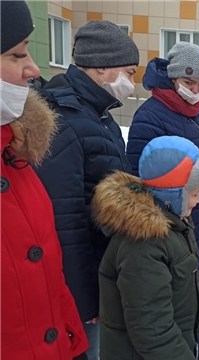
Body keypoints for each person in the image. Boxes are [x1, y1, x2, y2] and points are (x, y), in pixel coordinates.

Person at [127, 42, 199, 350]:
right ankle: (195, 341)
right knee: (187, 293)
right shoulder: (150, 116)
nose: (195, 90)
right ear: (172, 78)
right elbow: (141, 180)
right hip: (178, 225)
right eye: (188, 82)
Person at [34, 20, 139, 360]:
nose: (132, 82)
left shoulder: (97, 113)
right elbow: (66, 220)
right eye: (129, 72)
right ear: (102, 67)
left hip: (102, 268)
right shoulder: (65, 118)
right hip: (81, 284)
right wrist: (83, 297)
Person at [0, 1, 88, 359]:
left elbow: (48, 272)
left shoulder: (18, 155)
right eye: (17, 55)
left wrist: (73, 342)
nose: (33, 69)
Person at [95, 136, 199, 360]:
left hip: (174, 342)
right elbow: (152, 328)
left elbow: (187, 287)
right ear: (172, 195)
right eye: (195, 194)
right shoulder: (143, 245)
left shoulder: (176, 223)